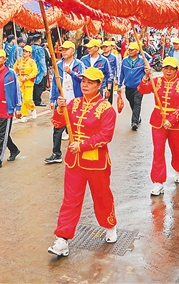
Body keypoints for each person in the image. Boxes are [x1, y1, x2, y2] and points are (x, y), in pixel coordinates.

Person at [47, 67, 119, 257]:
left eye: (90, 82)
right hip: (74, 162)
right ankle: (62, 239)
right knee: (70, 200)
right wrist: (60, 109)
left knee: (102, 197)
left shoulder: (106, 108)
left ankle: (109, 225)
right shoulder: (73, 103)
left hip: (97, 163)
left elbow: (106, 136)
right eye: (83, 81)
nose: (85, 85)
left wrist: (83, 146)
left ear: (99, 85)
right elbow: (58, 124)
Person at [139, 57, 179, 196]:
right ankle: (158, 182)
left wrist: (172, 120)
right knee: (158, 151)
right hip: (158, 121)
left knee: (176, 149)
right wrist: (146, 76)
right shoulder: (156, 81)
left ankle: (178, 169)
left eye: (172, 68)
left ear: (176, 70)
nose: (168, 71)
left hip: (175, 122)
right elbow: (142, 90)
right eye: (166, 68)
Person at [46, 41, 85, 164]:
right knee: (57, 128)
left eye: (67, 49)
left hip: (76, 101)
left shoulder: (79, 64)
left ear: (73, 51)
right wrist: (52, 99)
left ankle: (77, 151)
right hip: (62, 101)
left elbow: (82, 81)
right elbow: (54, 83)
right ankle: (56, 153)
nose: (64, 51)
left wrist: (71, 73)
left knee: (76, 128)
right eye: (62, 49)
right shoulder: (58, 65)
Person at [118, 41, 147, 131]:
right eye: (129, 49)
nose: (130, 51)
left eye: (132, 49)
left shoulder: (143, 61)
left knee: (137, 103)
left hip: (139, 87)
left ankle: (134, 122)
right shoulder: (125, 61)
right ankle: (137, 117)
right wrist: (119, 85)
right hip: (128, 87)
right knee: (132, 103)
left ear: (137, 51)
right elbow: (122, 73)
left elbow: (149, 62)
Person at [13, 45, 39, 121]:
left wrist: (27, 77)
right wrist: (17, 69)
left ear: (29, 53)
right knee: (21, 99)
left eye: (26, 51)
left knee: (28, 99)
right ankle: (24, 115)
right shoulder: (19, 60)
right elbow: (13, 70)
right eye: (24, 51)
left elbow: (35, 72)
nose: (24, 53)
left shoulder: (32, 62)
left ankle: (32, 108)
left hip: (28, 82)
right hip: (20, 81)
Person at [30, 35, 48, 107]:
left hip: (31, 68)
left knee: (33, 84)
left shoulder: (31, 48)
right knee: (40, 85)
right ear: (39, 40)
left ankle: (33, 99)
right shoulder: (40, 49)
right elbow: (42, 60)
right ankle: (37, 100)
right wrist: (44, 70)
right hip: (39, 69)